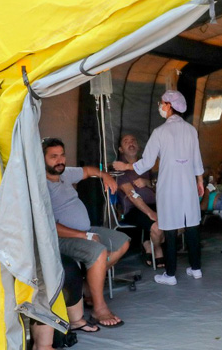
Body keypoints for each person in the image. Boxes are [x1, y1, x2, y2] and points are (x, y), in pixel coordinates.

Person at [113, 90, 204, 285]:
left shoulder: (160, 132)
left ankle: (170, 275)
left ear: (169, 105)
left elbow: (146, 163)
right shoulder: (191, 130)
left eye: (162, 103)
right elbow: (197, 159)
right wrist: (200, 181)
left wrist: (126, 166)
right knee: (191, 224)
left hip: (169, 185)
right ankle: (196, 269)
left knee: (170, 227)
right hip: (188, 183)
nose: (160, 106)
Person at [42, 137, 129, 327]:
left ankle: (87, 287)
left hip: (85, 230)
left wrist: (103, 175)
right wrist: (85, 236)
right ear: (42, 159)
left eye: (62, 155)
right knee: (98, 252)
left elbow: (89, 171)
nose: (60, 160)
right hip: (61, 238)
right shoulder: (41, 186)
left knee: (122, 242)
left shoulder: (65, 174)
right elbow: (48, 226)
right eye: (53, 157)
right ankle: (99, 309)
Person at [115, 133, 164, 267]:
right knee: (158, 227)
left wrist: (147, 182)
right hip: (134, 209)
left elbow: (158, 185)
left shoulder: (146, 164)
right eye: (126, 141)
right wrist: (149, 213)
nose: (131, 143)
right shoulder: (119, 168)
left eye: (133, 140)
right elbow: (131, 194)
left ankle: (149, 244)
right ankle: (158, 249)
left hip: (155, 204)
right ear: (120, 149)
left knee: (179, 222)